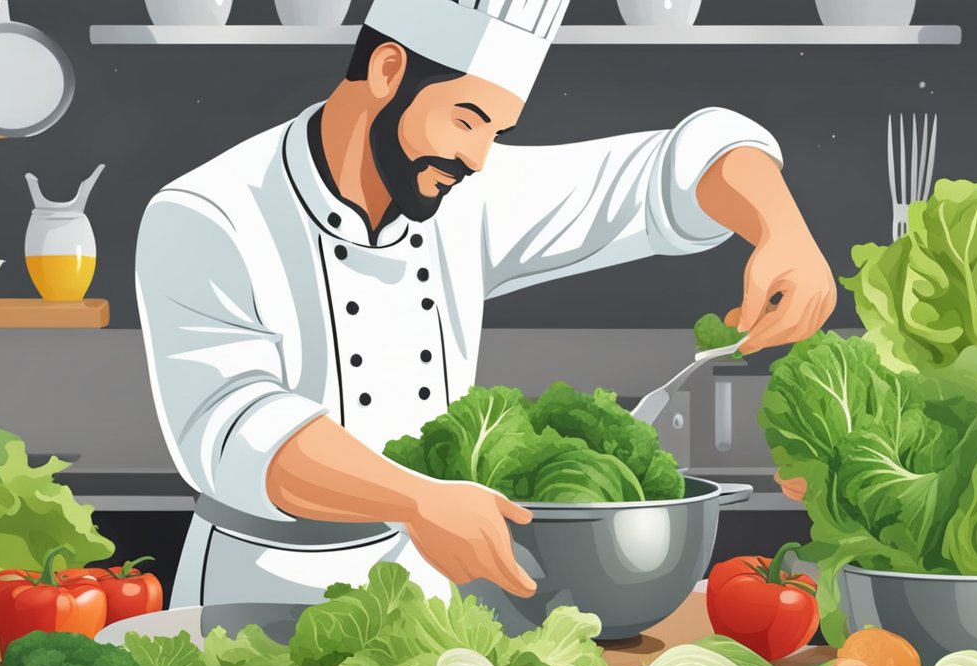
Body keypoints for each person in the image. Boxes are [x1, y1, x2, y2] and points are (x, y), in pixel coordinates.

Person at [135, 0, 836, 608]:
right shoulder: (207, 215)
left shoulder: (460, 196)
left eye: (496, 133)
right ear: (386, 71)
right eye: (468, 120)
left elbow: (670, 170)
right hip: (262, 594)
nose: (477, 159)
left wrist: (783, 231)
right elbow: (241, 431)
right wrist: (417, 499)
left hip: (431, 587)